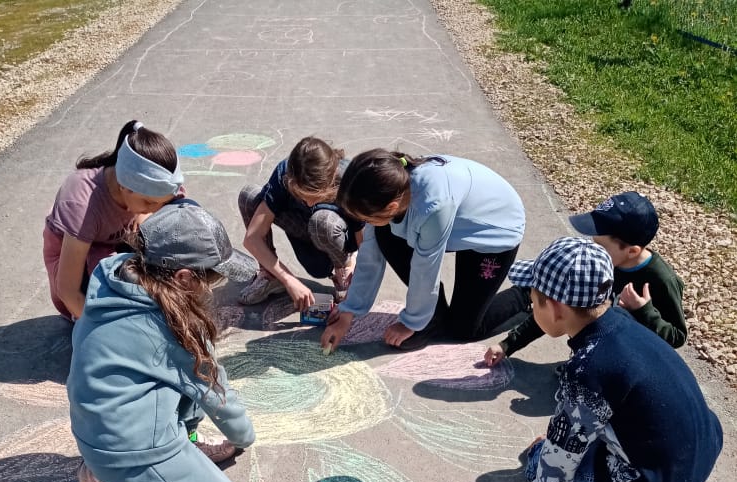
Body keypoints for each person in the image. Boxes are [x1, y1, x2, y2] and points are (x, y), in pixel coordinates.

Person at [511, 237, 721, 482]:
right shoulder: (622, 321)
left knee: (537, 462)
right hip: (701, 447)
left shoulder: (588, 369)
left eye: (533, 301)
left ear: (554, 308)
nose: (531, 307)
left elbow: (561, 453)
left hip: (662, 480)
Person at [68, 199, 259, 482]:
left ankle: (178, 447)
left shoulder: (115, 276)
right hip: (131, 453)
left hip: (98, 431)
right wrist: (243, 437)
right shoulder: (175, 328)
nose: (212, 289)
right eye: (211, 281)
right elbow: (217, 393)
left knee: (186, 379)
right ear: (183, 278)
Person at [320, 149, 526, 354]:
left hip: (495, 229)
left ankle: (526, 294)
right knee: (384, 233)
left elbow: (425, 270)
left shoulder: (432, 208)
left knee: (463, 328)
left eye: (367, 218)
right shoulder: (387, 186)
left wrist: (412, 323)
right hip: (461, 217)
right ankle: (435, 314)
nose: (364, 223)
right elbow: (369, 254)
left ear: (391, 207)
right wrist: (349, 310)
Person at [484, 190, 686, 366]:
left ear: (632, 251)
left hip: (631, 361)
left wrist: (645, 311)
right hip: (599, 344)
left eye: (600, 245)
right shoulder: (596, 264)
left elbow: (677, 337)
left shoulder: (662, 280)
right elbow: (555, 310)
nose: (593, 248)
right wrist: (508, 345)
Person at [44, 119, 183, 321]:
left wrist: (145, 214)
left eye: (160, 203)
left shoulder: (150, 188)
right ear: (124, 186)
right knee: (115, 312)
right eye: (149, 202)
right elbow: (68, 290)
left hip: (115, 243)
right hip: (78, 263)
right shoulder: (82, 202)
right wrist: (104, 329)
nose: (155, 208)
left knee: (173, 244)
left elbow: (182, 213)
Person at [237, 136, 364, 310]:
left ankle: (344, 269)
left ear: (331, 181)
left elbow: (364, 240)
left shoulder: (350, 179)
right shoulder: (285, 174)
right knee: (249, 196)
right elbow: (252, 238)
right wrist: (288, 279)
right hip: (304, 229)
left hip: (334, 233)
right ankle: (270, 275)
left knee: (322, 221)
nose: (309, 203)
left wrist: (359, 279)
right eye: (302, 196)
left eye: (316, 197)